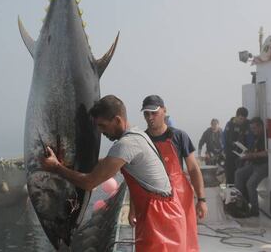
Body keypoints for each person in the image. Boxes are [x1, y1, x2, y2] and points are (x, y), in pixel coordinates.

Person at [41, 95, 188, 251]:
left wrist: (56, 167)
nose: (100, 131)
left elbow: (90, 183)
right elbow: (109, 163)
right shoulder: (137, 135)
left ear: (118, 120)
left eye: (103, 126)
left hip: (160, 217)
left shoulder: (126, 144)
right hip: (162, 212)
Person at [134, 95, 207, 252]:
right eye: (146, 113)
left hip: (181, 196)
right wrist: (134, 208)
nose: (150, 117)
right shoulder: (142, 140)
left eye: (154, 112)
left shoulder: (179, 136)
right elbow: (137, 178)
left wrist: (201, 199)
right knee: (155, 242)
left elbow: (193, 169)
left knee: (185, 239)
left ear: (164, 111)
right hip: (153, 198)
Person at [234, 117, 268, 217]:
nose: (252, 131)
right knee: (238, 173)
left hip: (263, 165)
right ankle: (240, 203)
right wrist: (247, 153)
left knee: (250, 184)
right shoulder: (256, 137)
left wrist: (252, 155)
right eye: (251, 128)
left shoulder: (265, 137)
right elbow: (254, 150)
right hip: (254, 164)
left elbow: (267, 153)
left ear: (261, 127)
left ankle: (254, 210)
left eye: (254, 128)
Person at [224, 107, 252, 185]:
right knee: (229, 175)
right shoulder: (229, 124)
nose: (241, 121)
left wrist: (248, 151)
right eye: (240, 118)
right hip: (230, 154)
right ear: (236, 116)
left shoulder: (248, 125)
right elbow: (224, 138)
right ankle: (230, 192)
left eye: (243, 119)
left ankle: (240, 193)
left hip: (242, 156)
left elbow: (250, 139)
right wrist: (225, 151)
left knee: (240, 176)